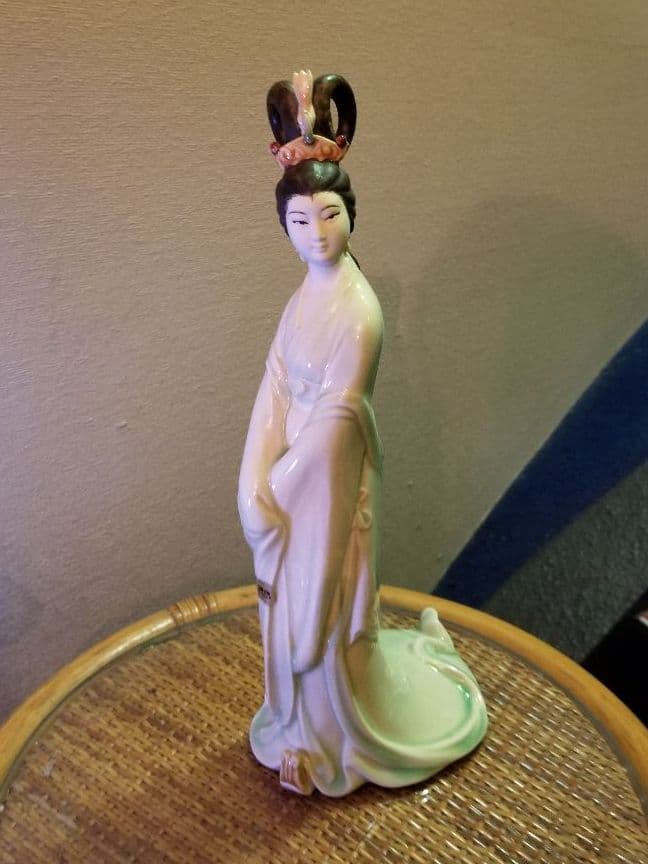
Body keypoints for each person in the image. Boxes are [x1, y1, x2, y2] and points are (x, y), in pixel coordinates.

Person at [238, 71, 487, 796]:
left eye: (329, 216)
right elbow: (275, 387)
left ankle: (338, 740)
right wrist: (252, 478)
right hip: (293, 480)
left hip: (334, 486)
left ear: (352, 214)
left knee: (330, 611)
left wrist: (280, 483)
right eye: (300, 222)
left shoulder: (360, 312)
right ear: (284, 228)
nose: (316, 234)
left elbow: (338, 417)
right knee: (285, 610)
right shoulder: (299, 302)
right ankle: (296, 727)